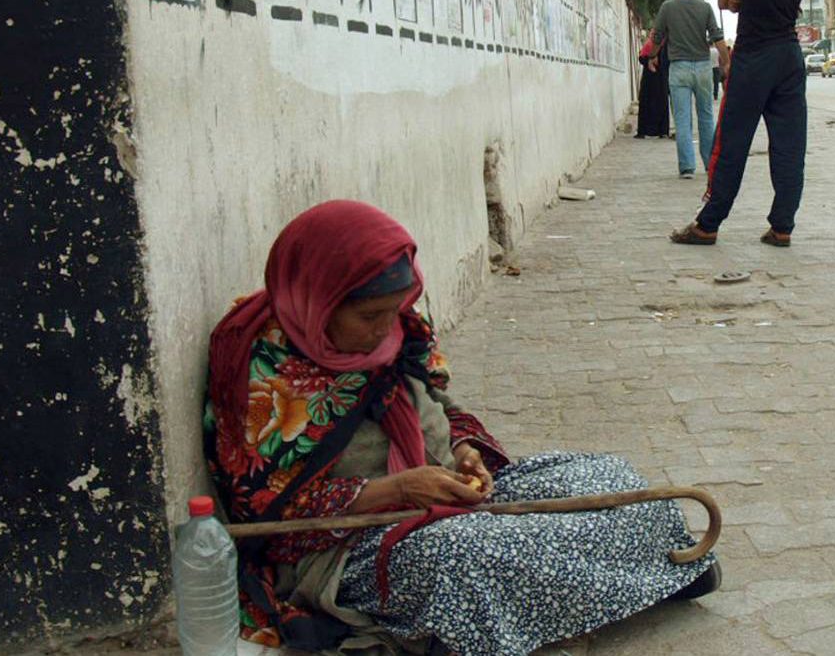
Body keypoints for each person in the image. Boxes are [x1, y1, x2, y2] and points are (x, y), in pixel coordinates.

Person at [205, 201, 719, 655]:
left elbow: (439, 404)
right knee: (471, 558)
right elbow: (265, 514)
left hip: (440, 492)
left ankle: (638, 576)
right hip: (349, 544)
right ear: (318, 299)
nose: (387, 328)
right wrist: (397, 489)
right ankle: (644, 581)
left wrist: (464, 449)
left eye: (396, 310)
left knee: (609, 478)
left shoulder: (395, 329)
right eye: (369, 316)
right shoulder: (261, 370)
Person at [670, 0, 812, 247]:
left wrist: (739, 3)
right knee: (790, 145)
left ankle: (708, 224)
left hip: (753, 58)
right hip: (789, 58)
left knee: (730, 142)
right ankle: (782, 227)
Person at [651, 0, 731, 178]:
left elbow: (657, 36)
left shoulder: (667, 8)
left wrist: (652, 56)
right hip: (703, 67)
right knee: (706, 116)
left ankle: (687, 167)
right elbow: (717, 36)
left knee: (682, 118)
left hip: (679, 68)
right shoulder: (705, 8)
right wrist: (726, 62)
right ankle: (709, 163)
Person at [635, 37, 670, 139]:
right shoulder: (666, 45)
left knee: (647, 103)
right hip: (660, 79)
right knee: (660, 103)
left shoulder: (650, 43)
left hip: (650, 79)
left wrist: (649, 60)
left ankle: (644, 131)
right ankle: (662, 131)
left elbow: (641, 58)